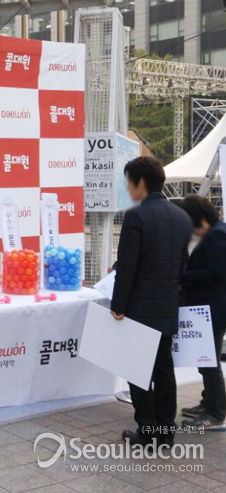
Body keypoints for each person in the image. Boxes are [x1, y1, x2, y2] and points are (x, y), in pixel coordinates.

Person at [111, 156, 192, 447]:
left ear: (141, 183)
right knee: (164, 368)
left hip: (140, 308)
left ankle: (147, 431)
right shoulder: (182, 217)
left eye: (129, 182)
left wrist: (118, 305)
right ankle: (166, 431)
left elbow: (128, 267)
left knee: (138, 369)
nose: (128, 188)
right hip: (168, 305)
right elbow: (182, 264)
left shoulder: (136, 216)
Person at [174, 195, 226, 430]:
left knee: (209, 362)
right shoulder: (216, 232)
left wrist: (184, 277)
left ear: (202, 219)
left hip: (214, 308)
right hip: (212, 307)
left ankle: (215, 413)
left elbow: (216, 272)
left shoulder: (217, 236)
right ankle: (209, 403)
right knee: (206, 359)